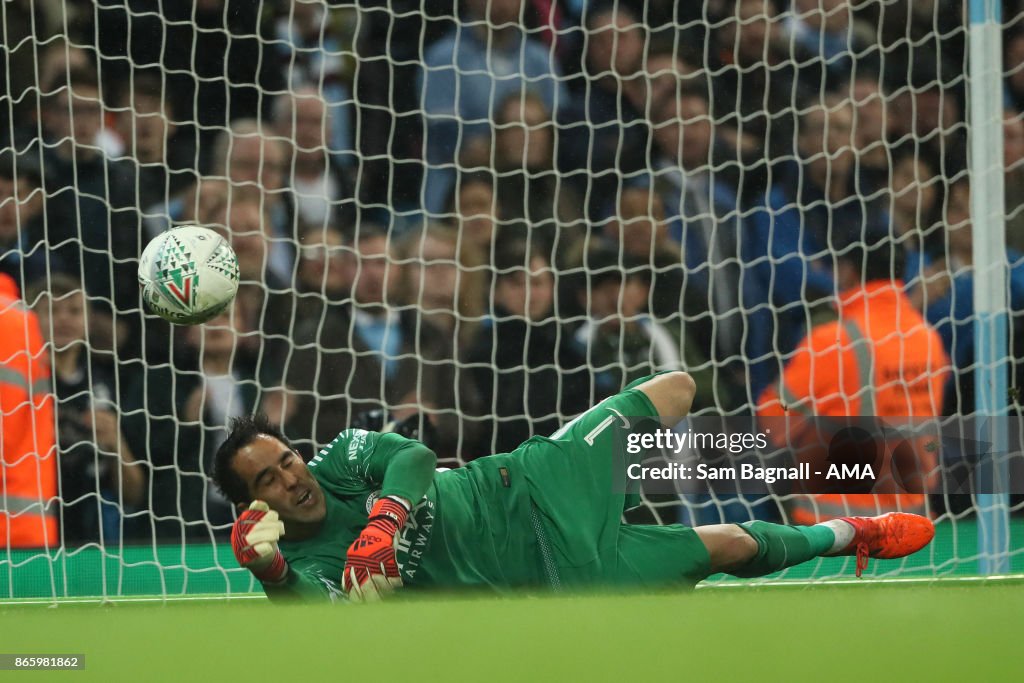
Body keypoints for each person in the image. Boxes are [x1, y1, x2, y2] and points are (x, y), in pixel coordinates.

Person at [214, 371, 936, 603]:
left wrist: (385, 521)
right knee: (733, 544)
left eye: (286, 459)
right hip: (561, 574)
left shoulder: (340, 460)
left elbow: (412, 454)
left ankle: (816, 459)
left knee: (677, 389)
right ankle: (852, 534)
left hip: (536, 482)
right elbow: (310, 603)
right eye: (268, 480)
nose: (291, 477)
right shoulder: (301, 567)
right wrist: (270, 570)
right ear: (254, 504)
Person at [757, 230, 949, 524]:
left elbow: (773, 420)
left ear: (847, 270)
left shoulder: (832, 340)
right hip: (911, 521)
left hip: (835, 526)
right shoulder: (927, 336)